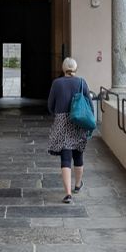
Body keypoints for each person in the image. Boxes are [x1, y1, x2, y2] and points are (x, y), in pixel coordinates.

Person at [47, 58, 92, 203]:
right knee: (78, 155)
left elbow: (50, 105)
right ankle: (77, 185)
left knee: (65, 158)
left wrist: (58, 114)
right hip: (79, 121)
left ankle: (68, 194)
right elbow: (90, 105)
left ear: (63, 68)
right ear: (75, 69)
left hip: (62, 122)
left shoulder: (57, 83)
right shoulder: (82, 82)